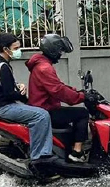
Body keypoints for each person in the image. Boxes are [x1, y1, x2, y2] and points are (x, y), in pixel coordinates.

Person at [0, 33, 54, 165]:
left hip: (4, 105)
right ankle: (40, 158)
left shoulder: (1, 63)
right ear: (6, 49)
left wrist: (19, 87)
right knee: (42, 115)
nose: (19, 51)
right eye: (15, 48)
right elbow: (8, 94)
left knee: (38, 111)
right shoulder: (2, 66)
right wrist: (22, 95)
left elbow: (6, 86)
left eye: (19, 47)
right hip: (4, 107)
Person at [26, 34, 90, 164]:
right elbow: (58, 91)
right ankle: (77, 153)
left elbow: (57, 86)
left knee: (69, 122)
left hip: (44, 106)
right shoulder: (44, 68)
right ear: (53, 50)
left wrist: (75, 91)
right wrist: (82, 97)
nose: (61, 54)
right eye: (60, 51)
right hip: (46, 109)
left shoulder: (42, 64)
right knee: (82, 113)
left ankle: (66, 153)